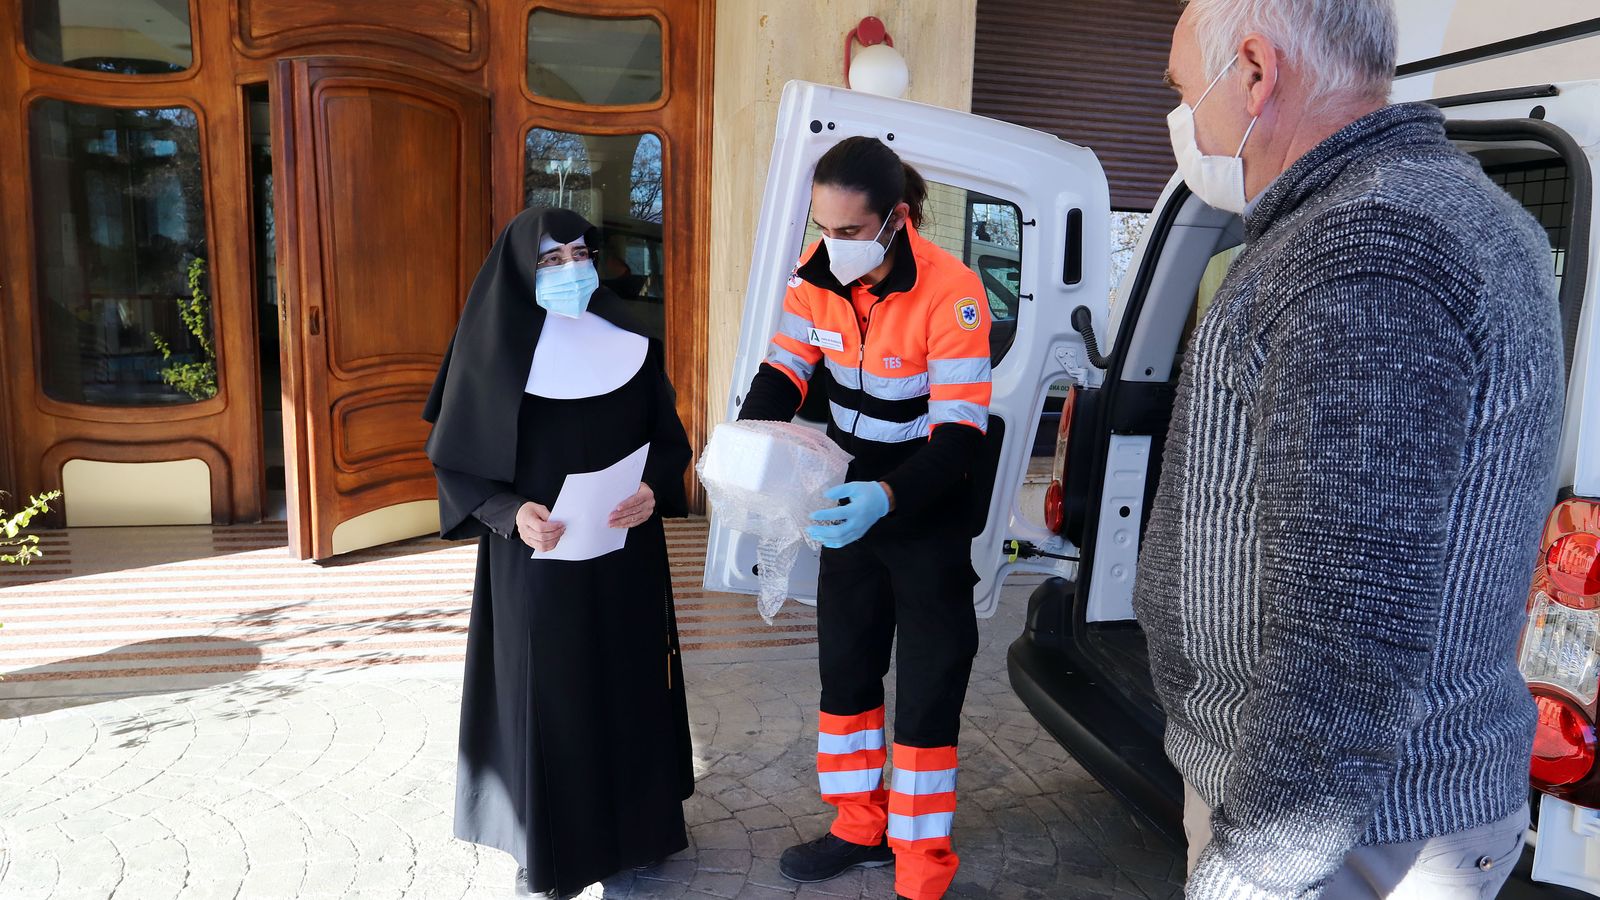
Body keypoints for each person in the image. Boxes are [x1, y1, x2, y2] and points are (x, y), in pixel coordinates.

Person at [1133, 1, 1565, 898]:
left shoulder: (1364, 249)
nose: (1180, 119)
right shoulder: (1439, 209)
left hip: (1346, 839)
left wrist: (1250, 873)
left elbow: (1347, 634)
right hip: (1373, 816)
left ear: (1255, 71)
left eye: (1182, 90)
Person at [737, 136, 993, 900]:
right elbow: (784, 371)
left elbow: (958, 436)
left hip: (926, 497)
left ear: (894, 220)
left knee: (926, 679)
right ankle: (859, 826)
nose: (832, 245)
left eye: (849, 232)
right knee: (846, 664)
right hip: (844, 485)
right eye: (823, 227)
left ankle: (921, 863)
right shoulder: (814, 279)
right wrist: (748, 452)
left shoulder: (953, 291)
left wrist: (888, 497)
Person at [422, 208, 694, 899]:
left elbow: (669, 441)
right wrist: (511, 513)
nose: (570, 269)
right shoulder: (488, 353)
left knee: (633, 685)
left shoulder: (632, 340)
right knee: (552, 696)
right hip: (536, 559)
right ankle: (547, 847)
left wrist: (652, 490)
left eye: (579, 254)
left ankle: (643, 830)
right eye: (550, 259)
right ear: (519, 268)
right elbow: (456, 464)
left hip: (626, 550)